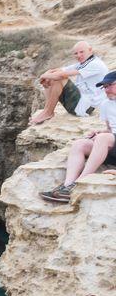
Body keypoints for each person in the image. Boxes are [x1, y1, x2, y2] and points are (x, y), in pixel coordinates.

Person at [40, 70, 116, 203]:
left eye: (110, 85)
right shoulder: (106, 104)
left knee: (103, 138)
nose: (106, 89)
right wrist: (99, 132)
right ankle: (68, 185)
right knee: (80, 143)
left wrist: (104, 137)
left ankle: (80, 183)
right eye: (104, 86)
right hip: (112, 147)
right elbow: (110, 129)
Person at [30, 41, 108, 125]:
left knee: (59, 79)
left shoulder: (95, 64)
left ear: (90, 50)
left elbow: (61, 75)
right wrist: (47, 74)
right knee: (51, 78)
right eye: (76, 53)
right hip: (79, 103)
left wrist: (44, 76)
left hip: (86, 108)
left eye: (82, 52)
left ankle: (48, 112)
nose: (78, 55)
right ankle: (46, 110)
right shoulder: (83, 63)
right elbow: (59, 70)